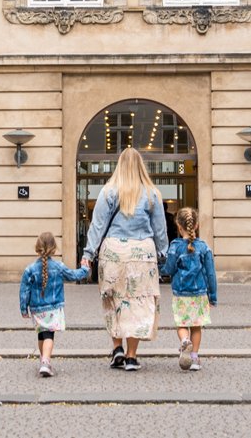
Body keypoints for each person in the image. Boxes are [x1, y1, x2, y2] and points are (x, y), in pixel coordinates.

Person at [81, 147, 169, 372]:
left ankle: (117, 347)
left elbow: (97, 226)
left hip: (113, 253)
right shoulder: (152, 193)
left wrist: (88, 254)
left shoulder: (108, 191)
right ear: (141, 166)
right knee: (138, 303)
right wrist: (163, 254)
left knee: (113, 299)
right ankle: (131, 356)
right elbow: (160, 230)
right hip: (142, 253)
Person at [19, 231, 89, 377]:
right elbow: (73, 275)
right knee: (49, 335)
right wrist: (85, 269)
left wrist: (23, 308)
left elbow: (24, 291)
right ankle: (45, 362)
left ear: (37, 247)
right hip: (53, 308)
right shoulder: (58, 266)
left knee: (41, 334)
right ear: (54, 249)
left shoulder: (29, 269)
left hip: (36, 308)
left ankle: (44, 359)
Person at [160, 206, 217, 372]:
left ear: (179, 226)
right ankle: (194, 358)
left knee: (182, 324)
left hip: (180, 294)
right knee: (197, 326)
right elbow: (211, 274)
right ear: (196, 225)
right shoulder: (204, 247)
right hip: (200, 294)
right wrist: (212, 296)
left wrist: (162, 271)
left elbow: (169, 269)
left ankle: (185, 341)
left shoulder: (175, 246)